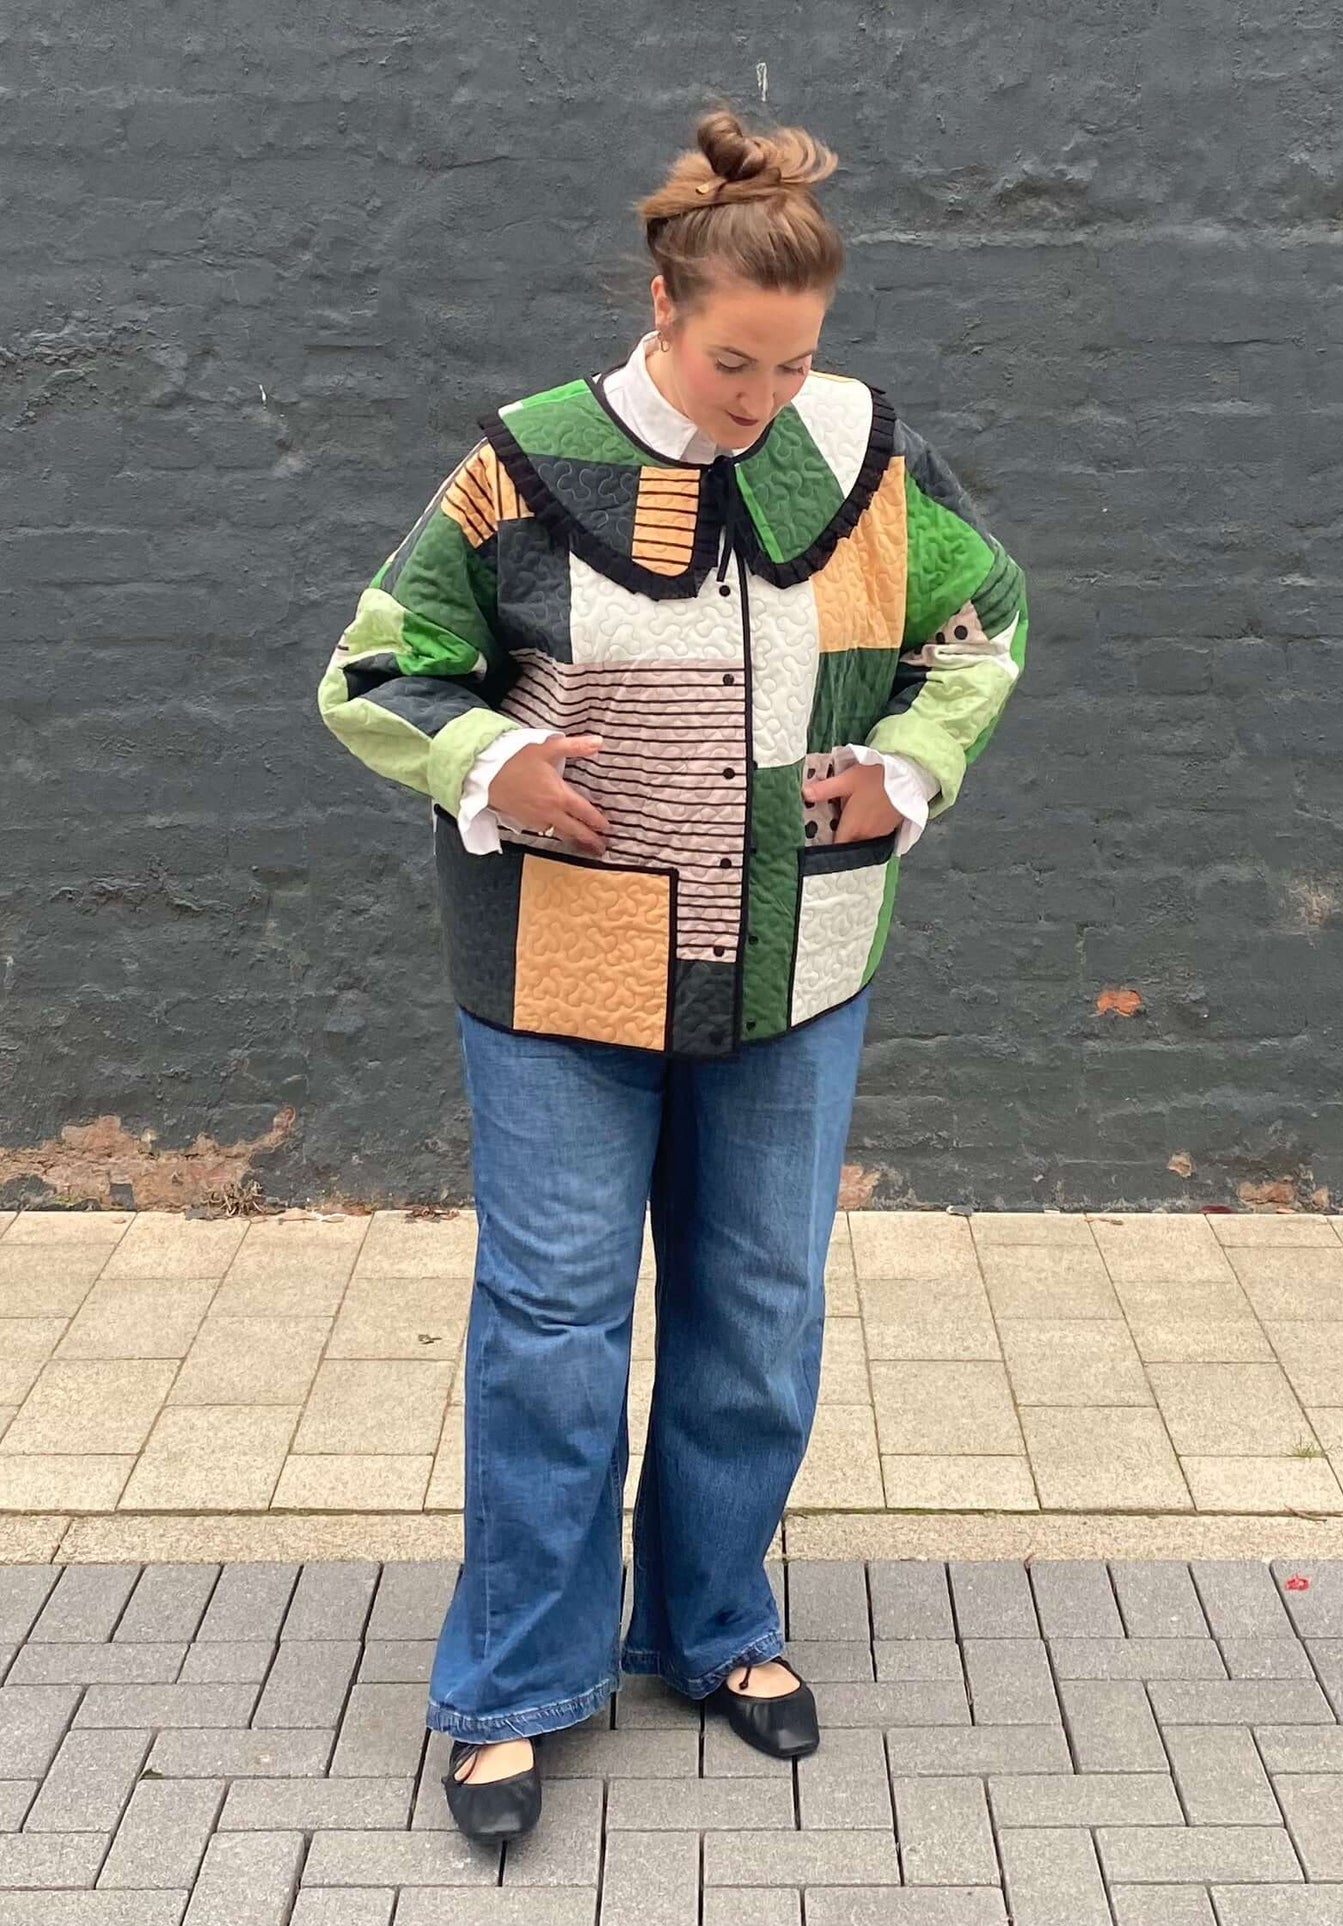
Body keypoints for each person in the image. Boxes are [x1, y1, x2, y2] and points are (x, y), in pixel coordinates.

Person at [317, 104, 1029, 1843]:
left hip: (799, 958)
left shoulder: (864, 452)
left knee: (759, 1315)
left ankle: (711, 1621)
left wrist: (912, 766)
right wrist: (494, 761)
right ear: (659, 303)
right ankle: (509, 1683)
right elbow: (375, 667)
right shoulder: (525, 462)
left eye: (793, 366)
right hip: (561, 970)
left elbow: (983, 620)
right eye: (735, 361)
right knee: (554, 1330)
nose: (763, 400)